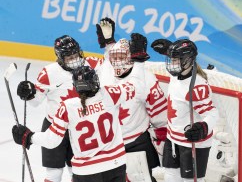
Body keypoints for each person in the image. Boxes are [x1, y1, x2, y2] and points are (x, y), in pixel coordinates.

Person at [12, 42, 148, 182]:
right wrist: (138, 62)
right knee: (54, 172)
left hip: (86, 171)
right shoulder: (110, 94)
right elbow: (138, 87)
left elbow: (51, 140)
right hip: (116, 165)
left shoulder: (68, 107)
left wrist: (28, 137)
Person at [96, 17, 168, 182]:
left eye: (123, 58)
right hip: (109, 145)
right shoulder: (105, 69)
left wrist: (163, 142)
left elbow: (160, 116)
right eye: (116, 58)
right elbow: (109, 57)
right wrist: (109, 42)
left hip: (137, 143)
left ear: (131, 58)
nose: (118, 63)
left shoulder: (147, 79)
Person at [16, 35, 85, 182]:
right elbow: (36, 102)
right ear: (60, 57)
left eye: (75, 54)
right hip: (54, 126)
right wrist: (29, 94)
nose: (74, 59)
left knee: (78, 172)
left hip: (80, 127)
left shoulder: (88, 68)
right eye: (69, 56)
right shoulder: (48, 73)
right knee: (53, 174)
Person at [151, 39, 219, 182]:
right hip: (173, 139)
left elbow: (213, 113)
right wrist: (170, 49)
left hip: (193, 144)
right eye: (172, 59)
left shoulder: (197, 86)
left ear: (189, 60)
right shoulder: (176, 75)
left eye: (177, 60)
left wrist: (202, 127)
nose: (172, 64)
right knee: (170, 177)